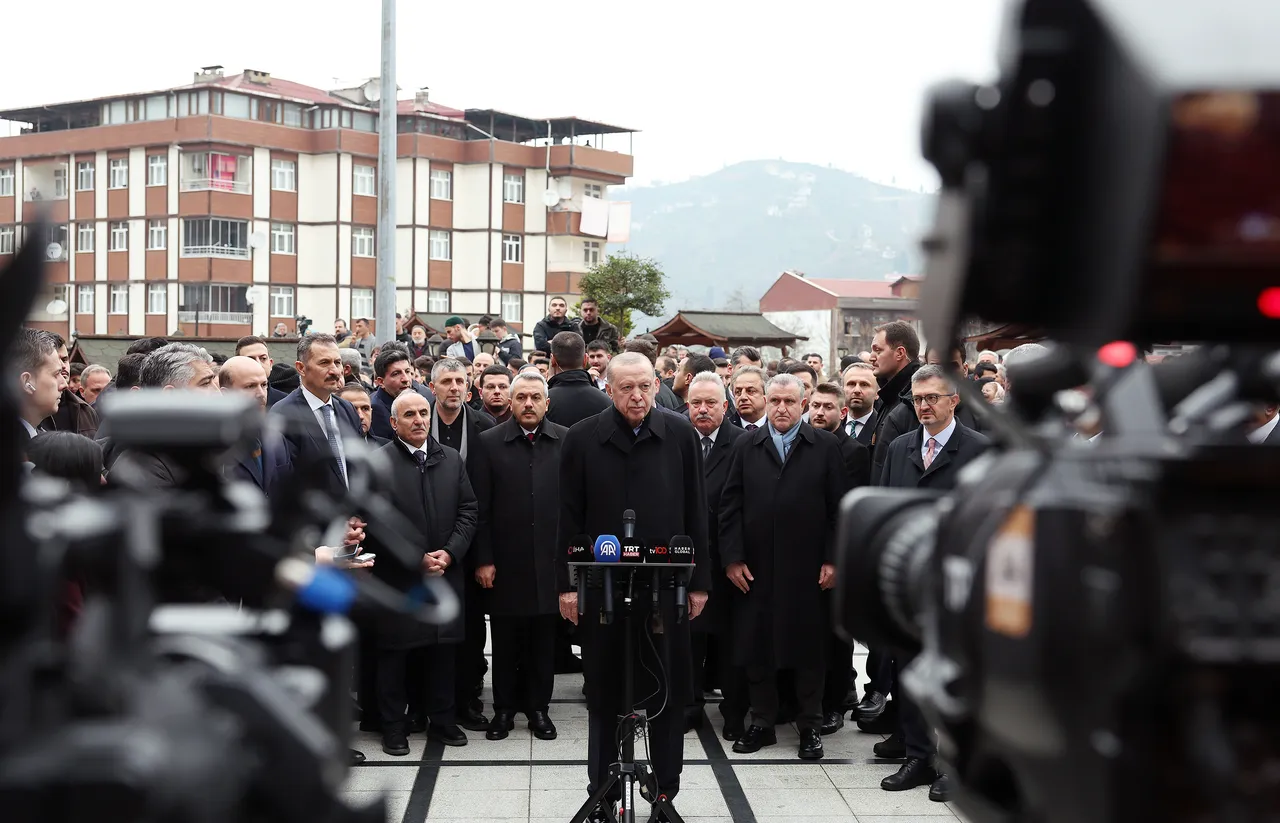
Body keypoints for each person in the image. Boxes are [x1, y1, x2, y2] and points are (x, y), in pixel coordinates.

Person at [557, 352, 710, 817]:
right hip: (602, 587)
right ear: (608, 389)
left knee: (667, 691)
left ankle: (664, 790)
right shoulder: (582, 437)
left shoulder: (680, 433)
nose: (637, 396)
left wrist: (699, 583)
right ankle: (602, 788)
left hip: (666, 587)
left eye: (645, 386)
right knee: (604, 692)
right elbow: (567, 515)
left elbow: (697, 510)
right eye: (626, 388)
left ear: (657, 384)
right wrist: (568, 586)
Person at [719, 373, 848, 761]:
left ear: (803, 404)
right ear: (765, 401)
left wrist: (833, 559)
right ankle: (762, 721)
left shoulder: (824, 446)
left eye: (789, 401)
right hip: (756, 568)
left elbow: (838, 509)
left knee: (809, 649)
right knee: (758, 647)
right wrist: (732, 558)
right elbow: (730, 506)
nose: (781, 408)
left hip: (808, 569)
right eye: (774, 400)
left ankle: (810, 725)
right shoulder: (746, 445)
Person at [877, 364, 991, 802]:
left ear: (954, 400)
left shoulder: (979, 450)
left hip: (958, 583)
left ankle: (954, 764)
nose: (923, 406)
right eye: (918, 399)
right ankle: (918, 755)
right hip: (911, 581)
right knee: (908, 668)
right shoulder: (901, 447)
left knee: (956, 675)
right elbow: (885, 507)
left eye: (932, 398)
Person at [365, 391, 479, 754]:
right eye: (409, 415)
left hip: (444, 573)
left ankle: (442, 720)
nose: (418, 420)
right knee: (395, 654)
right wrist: (415, 558)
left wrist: (450, 552)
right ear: (393, 422)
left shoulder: (450, 459)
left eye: (422, 413)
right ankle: (393, 726)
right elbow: (375, 522)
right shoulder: (378, 463)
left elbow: (468, 510)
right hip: (399, 578)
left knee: (442, 652)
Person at [471, 371, 566, 742]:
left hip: (549, 560)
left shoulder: (565, 441)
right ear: (511, 402)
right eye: (522, 397)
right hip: (505, 561)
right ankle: (504, 709)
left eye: (535, 397)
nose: (529, 404)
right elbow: (479, 507)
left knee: (544, 640)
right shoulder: (488, 443)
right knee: (506, 640)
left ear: (547, 403)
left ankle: (539, 709)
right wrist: (483, 559)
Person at [428, 358, 497, 732]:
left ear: (469, 389)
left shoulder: (485, 427)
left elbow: (487, 499)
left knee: (470, 630)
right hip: (427, 543)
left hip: (470, 545)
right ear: (433, 387)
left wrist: (484, 556)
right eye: (447, 381)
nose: (454, 387)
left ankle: (468, 699)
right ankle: (429, 702)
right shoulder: (419, 422)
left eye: (460, 381)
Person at [684, 372, 748, 740]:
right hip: (688, 558)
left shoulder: (743, 442)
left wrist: (735, 556)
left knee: (730, 640)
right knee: (689, 638)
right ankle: (689, 707)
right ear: (687, 405)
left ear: (725, 406)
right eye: (696, 403)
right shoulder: (677, 439)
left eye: (711, 403)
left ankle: (734, 711)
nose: (703, 410)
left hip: (728, 559)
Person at [271, 334, 363, 502]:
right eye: (324, 363)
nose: (334, 371)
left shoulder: (347, 409)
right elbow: (285, 482)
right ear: (301, 368)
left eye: (337, 362)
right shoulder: (282, 415)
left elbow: (358, 466)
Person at [218, 356, 285, 495]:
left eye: (264, 385)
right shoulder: (214, 446)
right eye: (250, 386)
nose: (261, 394)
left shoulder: (275, 436)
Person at [867, 320, 923, 483]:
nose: (871, 357)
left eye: (878, 350)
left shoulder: (914, 402)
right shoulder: (890, 396)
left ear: (900, 353)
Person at [546, 332, 611, 428]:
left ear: (552, 360)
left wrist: (548, 386)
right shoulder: (606, 402)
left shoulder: (543, 403)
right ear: (585, 359)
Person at [41, 334, 99, 439]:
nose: (62, 366)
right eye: (55, 360)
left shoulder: (85, 410)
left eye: (64, 360)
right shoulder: (29, 411)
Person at [13, 329, 65, 441]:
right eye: (56, 374)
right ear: (27, 382)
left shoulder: (35, 437)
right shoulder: (10, 446)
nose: (64, 384)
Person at [369, 350, 416, 441]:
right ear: (381, 382)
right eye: (396, 374)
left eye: (407, 371)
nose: (406, 379)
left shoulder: (415, 399)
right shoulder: (376, 410)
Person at [235, 335, 289, 407]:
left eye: (263, 358)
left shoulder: (287, 403)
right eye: (251, 359)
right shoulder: (228, 403)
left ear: (270, 364)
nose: (258, 364)